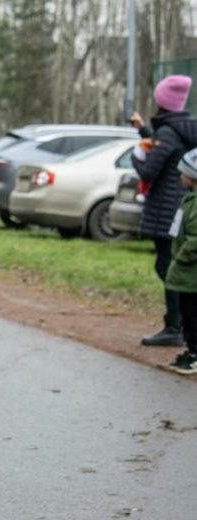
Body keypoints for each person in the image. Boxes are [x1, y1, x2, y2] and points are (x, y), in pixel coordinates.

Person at [130, 75, 197, 347]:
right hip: (181, 206)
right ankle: (180, 322)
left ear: (161, 101)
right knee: (176, 264)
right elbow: (169, 152)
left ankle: (175, 325)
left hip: (166, 209)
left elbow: (149, 170)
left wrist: (136, 156)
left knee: (168, 267)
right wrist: (145, 132)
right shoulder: (184, 129)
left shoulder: (168, 132)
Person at [163, 149, 197, 373]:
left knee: (193, 313)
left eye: (182, 174)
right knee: (187, 311)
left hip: (191, 270)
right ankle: (191, 348)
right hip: (187, 271)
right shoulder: (189, 199)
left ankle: (195, 354)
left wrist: (182, 256)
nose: (180, 177)